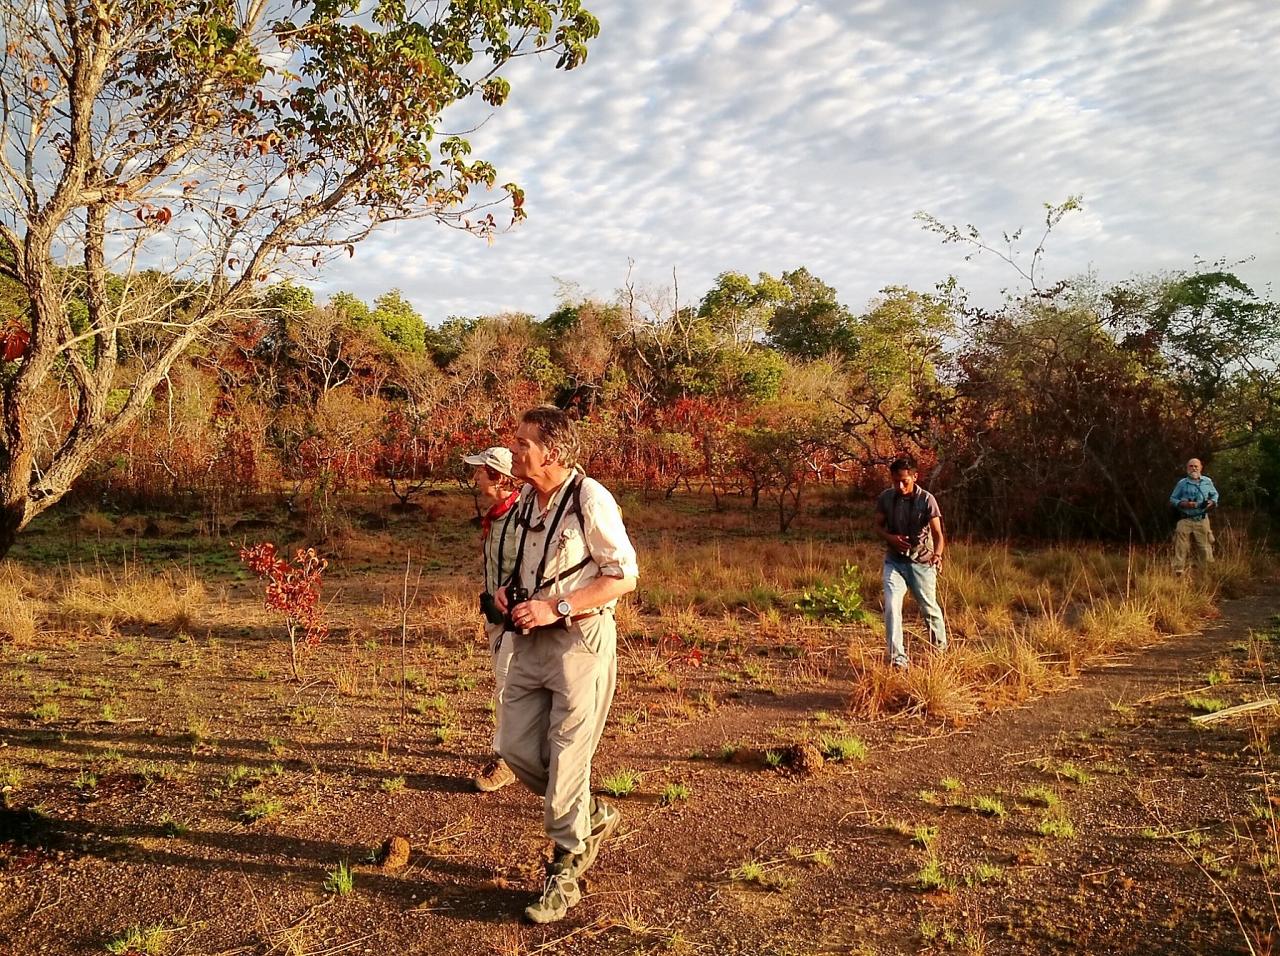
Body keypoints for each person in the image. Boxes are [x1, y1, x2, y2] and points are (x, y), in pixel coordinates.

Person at [494, 406, 639, 924]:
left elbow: (623, 577)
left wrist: (556, 606)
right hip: (530, 643)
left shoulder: (590, 498)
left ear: (551, 452)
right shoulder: (522, 506)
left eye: (522, 443)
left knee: (567, 759)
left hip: (580, 641)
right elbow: (519, 570)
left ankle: (566, 869)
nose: (513, 449)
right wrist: (506, 597)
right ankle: (590, 815)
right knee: (513, 748)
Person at [461, 446, 523, 792]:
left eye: (481, 471)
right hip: (497, 616)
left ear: (498, 477)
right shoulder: (498, 515)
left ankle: (506, 759)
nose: (476, 477)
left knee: (506, 685)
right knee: (510, 684)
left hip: (518, 617)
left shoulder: (524, 515)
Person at [874, 455, 947, 669]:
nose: (899, 485)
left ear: (915, 477)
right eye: (895, 480)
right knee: (891, 606)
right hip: (894, 561)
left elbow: (938, 534)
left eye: (904, 481)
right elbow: (877, 526)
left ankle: (940, 653)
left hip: (921, 562)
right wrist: (891, 539)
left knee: (928, 608)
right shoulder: (886, 498)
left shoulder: (927, 500)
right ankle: (898, 660)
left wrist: (938, 555)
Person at [1170, 458, 1219, 574]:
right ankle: (1178, 571)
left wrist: (1211, 502)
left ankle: (1207, 571)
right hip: (1185, 518)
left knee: (1205, 547)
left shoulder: (1207, 481)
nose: (1194, 468)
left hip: (1202, 519)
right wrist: (1185, 504)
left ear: (1201, 467)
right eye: (1191, 466)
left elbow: (1215, 495)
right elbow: (1172, 498)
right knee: (1181, 546)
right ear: (1187, 468)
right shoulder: (1182, 483)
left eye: (1196, 466)